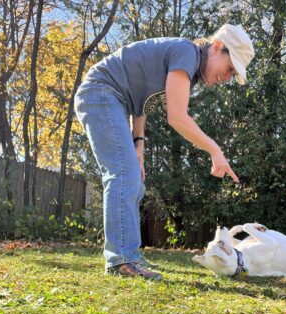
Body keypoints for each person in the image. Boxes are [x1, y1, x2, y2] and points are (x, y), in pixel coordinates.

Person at [74, 24, 255, 280]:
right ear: (216, 47)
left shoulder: (188, 63)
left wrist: (139, 142)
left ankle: (128, 256)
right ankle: (121, 260)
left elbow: (141, 100)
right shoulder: (187, 53)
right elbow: (177, 117)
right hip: (101, 92)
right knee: (122, 176)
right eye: (229, 68)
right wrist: (215, 150)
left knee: (134, 182)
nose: (226, 78)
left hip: (115, 99)